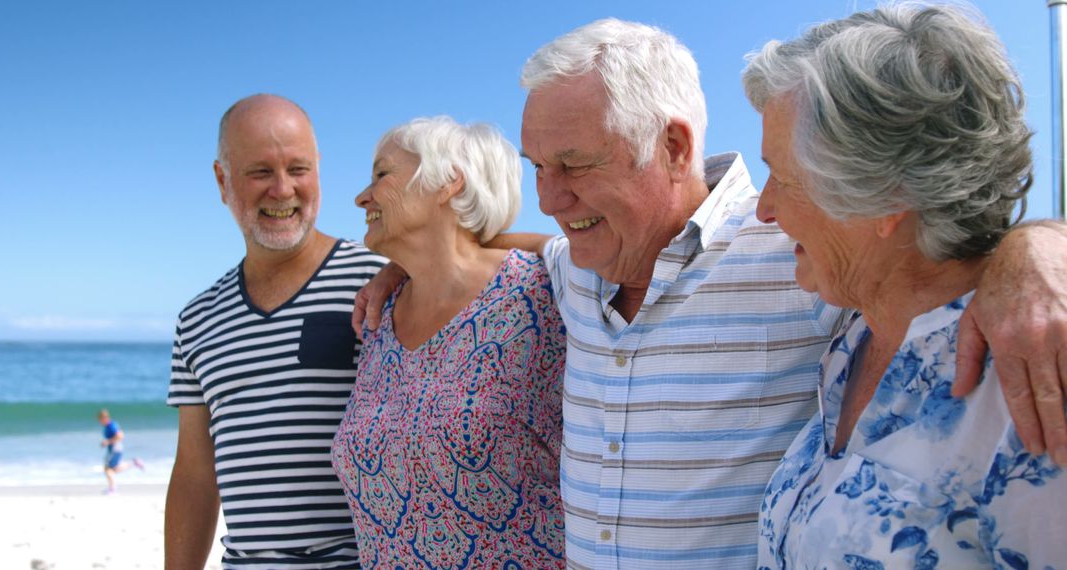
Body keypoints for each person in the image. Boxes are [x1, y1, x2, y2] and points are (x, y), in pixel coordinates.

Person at [357, 17, 1067, 569]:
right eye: (537, 166)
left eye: (573, 164)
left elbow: (926, 248)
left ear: (671, 146)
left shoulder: (803, 258)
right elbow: (512, 248)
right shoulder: (569, 269)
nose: (548, 198)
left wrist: (1034, 247)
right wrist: (407, 265)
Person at [745, 4, 1067, 567]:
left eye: (782, 177)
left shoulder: (1034, 378)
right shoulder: (853, 338)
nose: (763, 210)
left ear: (883, 193)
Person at [331, 116, 566, 568]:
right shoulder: (379, 314)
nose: (363, 196)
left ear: (449, 181)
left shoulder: (539, 291)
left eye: (382, 175)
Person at [165, 94, 385, 569]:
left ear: (319, 170)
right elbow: (194, 476)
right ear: (223, 181)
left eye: (298, 169)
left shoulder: (383, 283)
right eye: (260, 172)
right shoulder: (196, 319)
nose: (283, 190)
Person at [98, 408, 143, 494]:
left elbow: (120, 435)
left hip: (115, 449)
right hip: (114, 449)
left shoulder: (111, 425)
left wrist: (107, 441)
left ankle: (112, 488)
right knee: (114, 469)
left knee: (108, 468)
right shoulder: (108, 426)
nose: (100, 421)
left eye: (100, 419)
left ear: (104, 418)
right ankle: (134, 462)